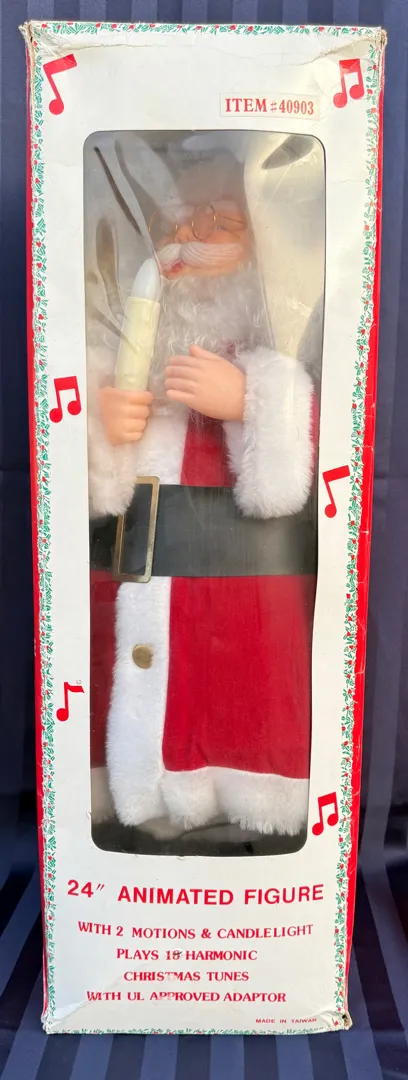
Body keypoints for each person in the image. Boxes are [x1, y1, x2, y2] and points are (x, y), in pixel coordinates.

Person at [86, 134, 317, 841]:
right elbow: (86, 495)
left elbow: (290, 482)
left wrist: (251, 399)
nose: (192, 237)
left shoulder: (272, 355)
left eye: (221, 218)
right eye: (179, 218)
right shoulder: (131, 354)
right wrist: (103, 425)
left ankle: (239, 799)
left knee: (233, 695)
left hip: (238, 600)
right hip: (136, 572)